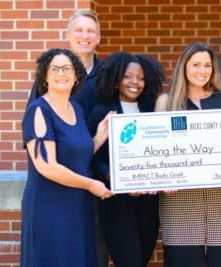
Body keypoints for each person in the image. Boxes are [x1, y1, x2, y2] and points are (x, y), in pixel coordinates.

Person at [25, 10, 108, 266]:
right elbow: (46, 165)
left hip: (78, 204)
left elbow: (78, 150)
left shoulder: (77, 109)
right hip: (51, 203)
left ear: (76, 76)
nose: (62, 74)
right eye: (56, 69)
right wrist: (91, 184)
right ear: (44, 76)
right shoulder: (39, 108)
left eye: (68, 70)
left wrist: (100, 137)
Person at [155, 42, 221, 267]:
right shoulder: (167, 102)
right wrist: (164, 177)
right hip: (180, 200)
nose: (202, 71)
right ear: (184, 67)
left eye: (207, 65)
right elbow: (156, 152)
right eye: (195, 65)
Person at [87, 52, 164, 267]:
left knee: (141, 259)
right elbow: (91, 157)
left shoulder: (151, 111)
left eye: (140, 77)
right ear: (116, 79)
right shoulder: (101, 112)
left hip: (148, 202)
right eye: (128, 76)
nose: (135, 82)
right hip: (117, 202)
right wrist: (111, 175)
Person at [26, 9, 102, 119]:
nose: (85, 36)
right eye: (78, 30)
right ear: (68, 35)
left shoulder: (108, 74)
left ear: (98, 38)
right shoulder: (51, 72)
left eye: (90, 31)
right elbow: (32, 116)